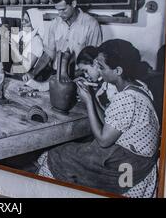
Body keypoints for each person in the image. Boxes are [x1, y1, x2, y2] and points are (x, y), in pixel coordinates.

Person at [37, 39, 159, 198]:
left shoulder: (127, 98)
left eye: (102, 67)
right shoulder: (139, 87)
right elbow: (109, 121)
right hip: (136, 158)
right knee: (69, 152)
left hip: (130, 165)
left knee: (58, 156)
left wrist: (88, 102)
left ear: (118, 70)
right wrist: (93, 97)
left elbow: (103, 140)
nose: (98, 71)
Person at [76, 46, 118, 123]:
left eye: (86, 71)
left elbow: (107, 122)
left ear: (95, 64)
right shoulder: (104, 83)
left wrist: (90, 98)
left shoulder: (112, 87)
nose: (85, 75)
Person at [9, 11, 46, 81]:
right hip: (15, 72)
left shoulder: (36, 41)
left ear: (34, 23)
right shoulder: (21, 35)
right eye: (22, 20)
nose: (22, 23)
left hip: (27, 78)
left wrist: (15, 49)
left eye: (26, 21)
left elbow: (26, 67)